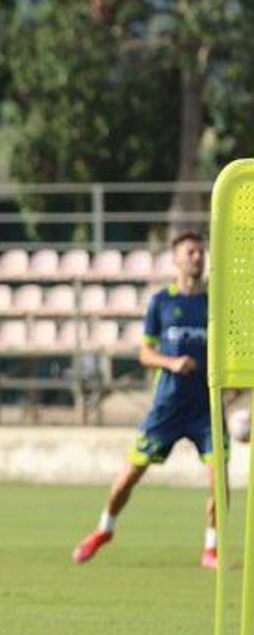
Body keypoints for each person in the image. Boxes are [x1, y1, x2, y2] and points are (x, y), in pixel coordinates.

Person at [72, 228, 224, 569]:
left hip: (205, 408)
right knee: (130, 475)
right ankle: (104, 530)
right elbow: (144, 353)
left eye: (200, 252)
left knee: (220, 481)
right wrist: (171, 363)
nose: (197, 257)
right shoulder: (162, 302)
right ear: (175, 259)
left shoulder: (213, 303)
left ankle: (211, 548)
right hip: (167, 406)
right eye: (190, 252)